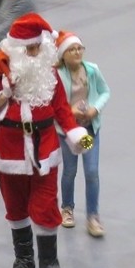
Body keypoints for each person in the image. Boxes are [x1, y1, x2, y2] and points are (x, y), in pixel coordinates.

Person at [0, 14, 91, 268]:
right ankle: (24, 259)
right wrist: (3, 95)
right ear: (15, 48)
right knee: (15, 207)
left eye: (38, 48)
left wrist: (81, 141)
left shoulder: (48, 74)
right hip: (8, 152)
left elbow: (62, 109)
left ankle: (50, 264)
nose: (34, 54)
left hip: (45, 150)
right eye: (29, 49)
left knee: (47, 205)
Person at [54, 31, 110, 238]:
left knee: (91, 171)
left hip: (87, 130)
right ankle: (67, 208)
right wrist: (71, 112)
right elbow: (54, 105)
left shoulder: (92, 70)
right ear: (63, 55)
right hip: (68, 132)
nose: (77, 52)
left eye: (79, 48)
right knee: (69, 170)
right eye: (72, 49)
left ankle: (93, 216)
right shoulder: (57, 76)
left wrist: (95, 109)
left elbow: (105, 92)